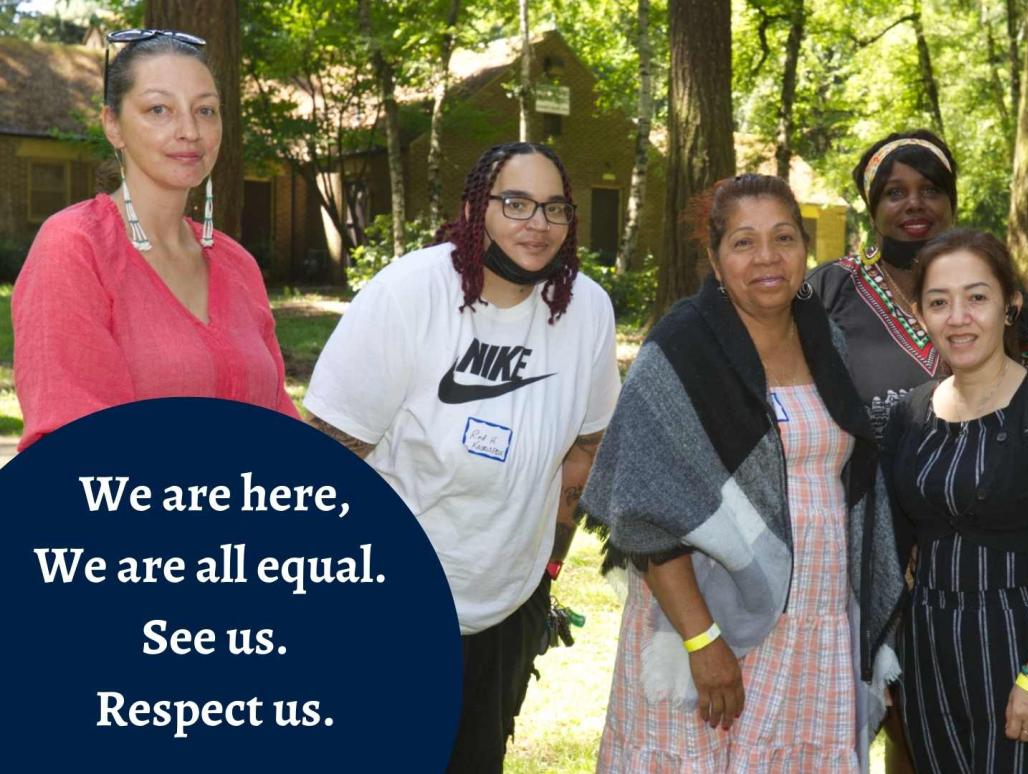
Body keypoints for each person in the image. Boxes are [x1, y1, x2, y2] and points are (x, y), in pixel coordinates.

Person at [303, 141, 620, 772]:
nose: (538, 224)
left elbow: (587, 447)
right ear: (475, 209)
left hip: (507, 608)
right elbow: (325, 464)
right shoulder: (410, 295)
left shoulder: (585, 309)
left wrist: (548, 570)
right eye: (517, 203)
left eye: (555, 208)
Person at [582, 174, 905, 771]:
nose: (767, 258)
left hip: (815, 619)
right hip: (711, 613)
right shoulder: (680, 351)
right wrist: (703, 642)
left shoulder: (824, 339)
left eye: (783, 238)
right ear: (714, 257)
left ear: (805, 249)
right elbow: (649, 514)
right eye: (743, 242)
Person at [13, 29, 297, 452]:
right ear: (113, 125)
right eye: (159, 109)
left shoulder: (237, 264)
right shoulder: (75, 246)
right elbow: (75, 443)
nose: (189, 131)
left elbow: (281, 429)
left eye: (206, 111)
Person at [881, 229, 1028, 773]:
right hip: (929, 643)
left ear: (1011, 306)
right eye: (939, 302)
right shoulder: (909, 415)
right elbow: (893, 544)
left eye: (977, 297)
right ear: (921, 314)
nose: (959, 317)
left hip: (1022, 635)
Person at [809, 130, 1028, 437]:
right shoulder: (830, 288)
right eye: (895, 193)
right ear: (872, 210)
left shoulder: (999, 295)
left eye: (931, 190)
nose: (915, 203)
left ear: (952, 205)